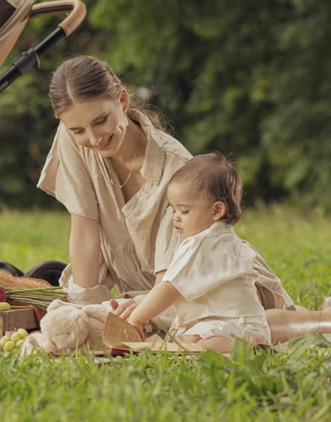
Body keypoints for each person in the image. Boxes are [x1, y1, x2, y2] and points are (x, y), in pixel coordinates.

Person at [38, 55, 331, 343]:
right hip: (154, 292)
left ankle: (323, 322)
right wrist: (84, 310)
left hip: (203, 282)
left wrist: (139, 311)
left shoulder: (176, 169)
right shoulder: (73, 136)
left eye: (100, 121)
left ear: (123, 101)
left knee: (230, 327)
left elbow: (175, 279)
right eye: (78, 130)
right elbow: (84, 229)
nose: (93, 138)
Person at [126, 153, 270, 352]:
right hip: (229, 323)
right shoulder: (224, 238)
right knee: (190, 340)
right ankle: (242, 343)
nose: (175, 218)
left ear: (216, 211)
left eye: (184, 211)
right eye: (173, 209)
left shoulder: (202, 244)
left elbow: (168, 288)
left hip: (232, 325)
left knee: (198, 343)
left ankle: (245, 345)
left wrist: (137, 318)